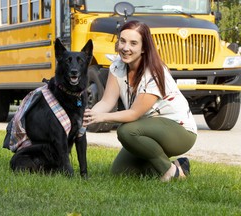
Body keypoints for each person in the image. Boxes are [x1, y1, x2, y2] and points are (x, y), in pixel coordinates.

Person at [83, 20, 197, 182]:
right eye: (122, 41)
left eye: (133, 43)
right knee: (120, 172)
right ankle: (180, 165)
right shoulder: (118, 66)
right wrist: (90, 114)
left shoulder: (154, 73)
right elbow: (107, 101)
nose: (125, 48)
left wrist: (102, 118)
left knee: (126, 131)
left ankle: (171, 172)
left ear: (144, 48)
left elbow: (134, 114)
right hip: (147, 128)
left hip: (179, 130)